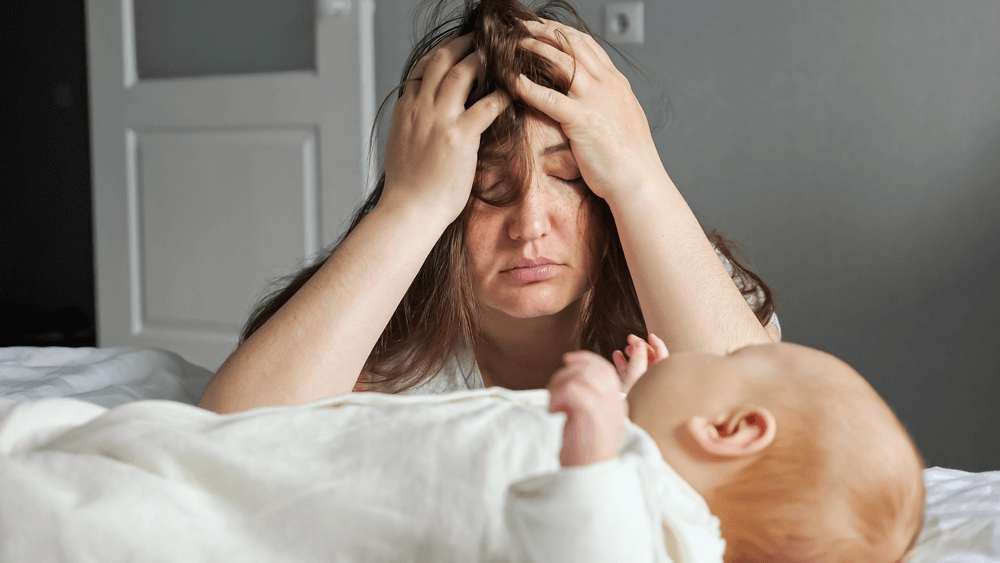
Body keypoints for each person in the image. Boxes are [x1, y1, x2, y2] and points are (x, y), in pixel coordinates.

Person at [197, 0, 781, 414]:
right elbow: (231, 430)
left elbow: (768, 422)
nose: (530, 227)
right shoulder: (391, 339)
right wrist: (410, 205)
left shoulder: (682, 276)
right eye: (488, 189)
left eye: (569, 177)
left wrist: (642, 175)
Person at [519, 339, 926, 563]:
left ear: (728, 429)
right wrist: (632, 400)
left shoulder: (676, 529)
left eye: (729, 356)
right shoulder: (650, 484)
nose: (706, 351)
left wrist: (591, 466)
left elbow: (594, 548)